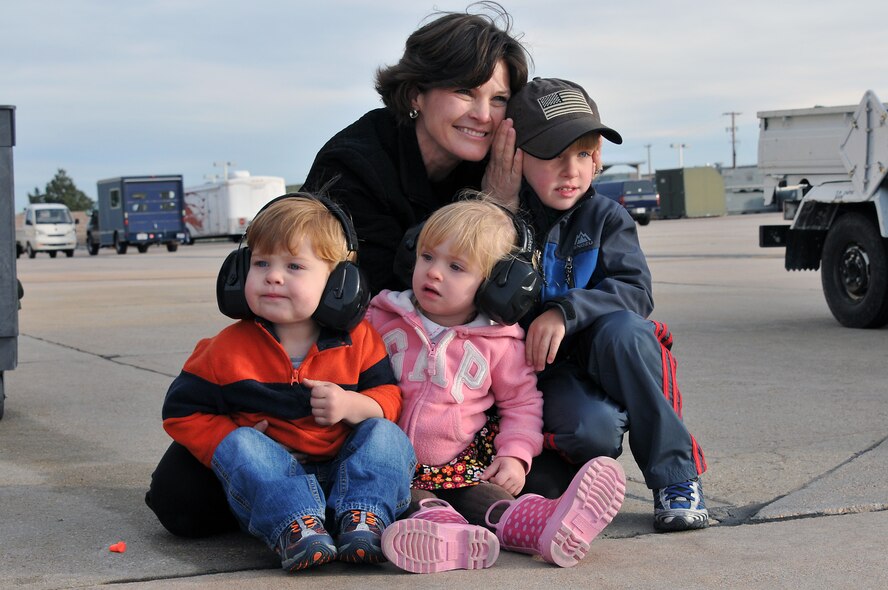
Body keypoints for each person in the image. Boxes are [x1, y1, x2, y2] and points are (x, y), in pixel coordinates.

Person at [152, 194, 416, 571]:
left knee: (385, 435)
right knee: (240, 443)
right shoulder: (223, 350)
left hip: (346, 467)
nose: (273, 276)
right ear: (240, 272)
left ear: (339, 281)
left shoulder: (360, 340)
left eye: (294, 266)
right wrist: (233, 439)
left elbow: (388, 395)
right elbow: (181, 412)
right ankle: (295, 526)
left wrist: (351, 406)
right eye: (261, 263)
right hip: (272, 478)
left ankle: (364, 518)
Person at [366, 198, 626, 573]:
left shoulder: (499, 343)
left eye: (455, 267)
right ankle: (444, 533)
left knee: (491, 500)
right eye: (427, 257)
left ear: (493, 284)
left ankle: (544, 524)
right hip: (393, 464)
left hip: (462, 460)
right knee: (412, 499)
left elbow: (521, 405)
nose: (433, 273)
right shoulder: (382, 317)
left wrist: (515, 456)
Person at [506, 77, 709, 532]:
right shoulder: (500, 220)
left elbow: (635, 290)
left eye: (583, 153)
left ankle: (676, 477)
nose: (571, 169)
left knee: (629, 332)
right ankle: (575, 479)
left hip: (602, 346)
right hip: (541, 368)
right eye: (554, 155)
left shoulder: (606, 217)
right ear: (516, 157)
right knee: (592, 428)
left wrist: (566, 311)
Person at [299, 2, 531, 294]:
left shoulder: (498, 164)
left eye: (498, 99)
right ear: (415, 95)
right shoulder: (352, 167)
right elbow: (389, 299)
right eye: (464, 91)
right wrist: (495, 211)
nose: (484, 115)